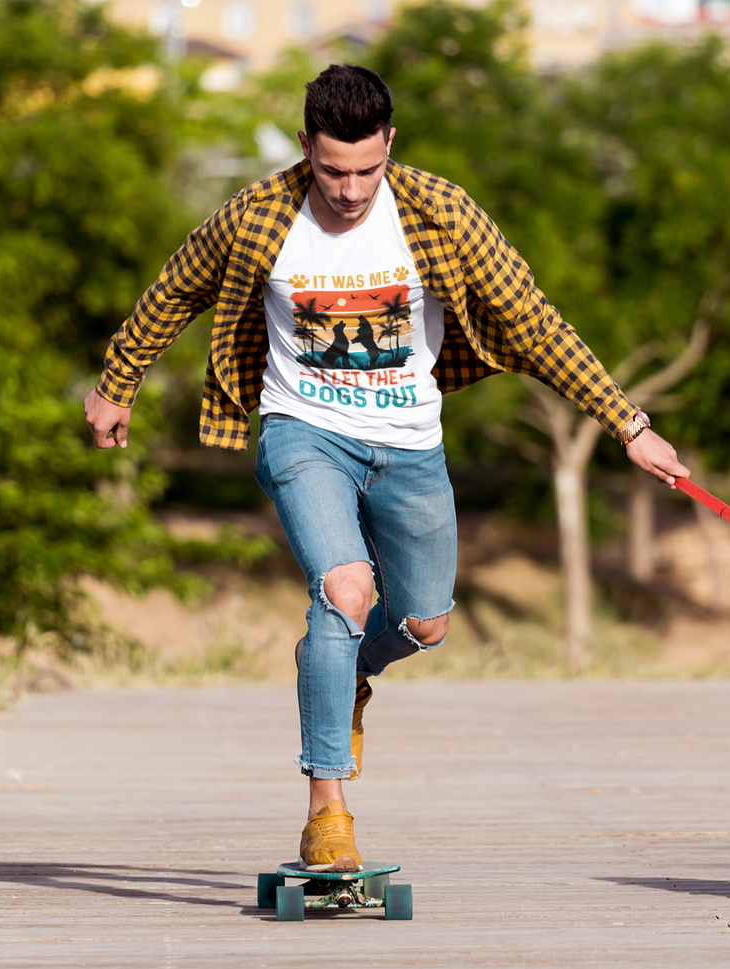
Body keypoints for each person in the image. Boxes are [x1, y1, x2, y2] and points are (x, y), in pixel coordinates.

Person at [83, 64, 689, 872]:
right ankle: (327, 809)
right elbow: (175, 288)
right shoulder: (258, 215)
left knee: (423, 622)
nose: (349, 189)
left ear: (389, 145)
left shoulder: (442, 214)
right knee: (343, 589)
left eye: (366, 169)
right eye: (332, 170)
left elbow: (535, 323)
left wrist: (627, 422)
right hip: (302, 432)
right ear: (306, 147)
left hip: (410, 444)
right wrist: (116, 381)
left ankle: (340, 669)